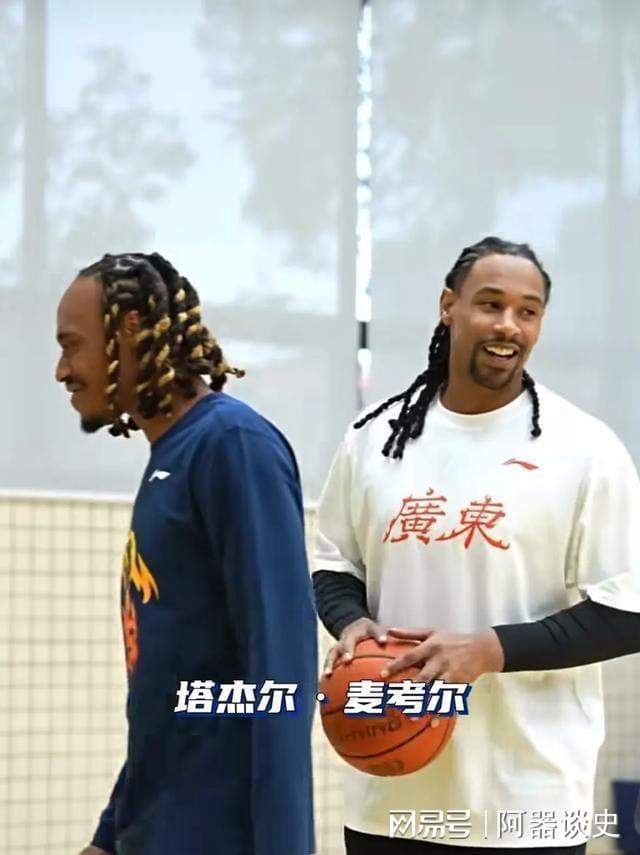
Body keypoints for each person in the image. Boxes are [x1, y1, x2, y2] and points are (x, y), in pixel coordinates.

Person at [312, 237, 640, 855]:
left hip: (527, 799)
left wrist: (491, 649)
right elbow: (334, 563)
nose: (508, 325)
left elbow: (629, 612)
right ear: (449, 307)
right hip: (389, 796)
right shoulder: (372, 439)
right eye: (491, 304)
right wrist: (349, 621)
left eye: (528, 311)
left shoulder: (585, 449)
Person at [55, 252, 317, 855]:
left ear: (129, 330)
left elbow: (281, 673)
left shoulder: (232, 445)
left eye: (72, 345)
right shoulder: (171, 456)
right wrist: (109, 833)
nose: (62, 370)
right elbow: (169, 691)